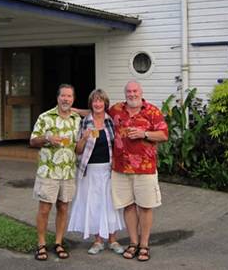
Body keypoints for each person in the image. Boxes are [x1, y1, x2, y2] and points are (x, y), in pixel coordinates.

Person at [108, 81, 168, 262]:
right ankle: (133, 242)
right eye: (128, 91)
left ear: (141, 92)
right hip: (120, 168)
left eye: (135, 91)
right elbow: (96, 113)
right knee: (128, 206)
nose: (132, 94)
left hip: (145, 168)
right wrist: (73, 111)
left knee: (145, 206)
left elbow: (164, 135)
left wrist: (144, 134)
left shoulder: (152, 111)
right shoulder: (116, 109)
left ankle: (144, 244)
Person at [68, 89, 125, 255]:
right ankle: (98, 241)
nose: (98, 104)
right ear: (91, 104)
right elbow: (78, 150)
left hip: (108, 169)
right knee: (93, 204)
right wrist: (84, 138)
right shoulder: (85, 122)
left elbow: (117, 144)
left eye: (101, 101)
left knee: (110, 204)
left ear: (105, 103)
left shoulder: (111, 121)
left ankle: (113, 240)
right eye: (95, 101)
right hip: (90, 170)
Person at [29, 84, 81, 261]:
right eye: (63, 96)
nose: (66, 99)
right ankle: (41, 244)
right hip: (49, 171)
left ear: (73, 99)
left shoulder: (76, 119)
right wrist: (47, 138)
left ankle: (58, 242)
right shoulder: (45, 117)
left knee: (63, 208)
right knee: (44, 209)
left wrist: (88, 137)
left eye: (69, 96)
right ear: (57, 98)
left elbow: (79, 147)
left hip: (68, 171)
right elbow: (33, 141)